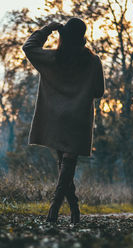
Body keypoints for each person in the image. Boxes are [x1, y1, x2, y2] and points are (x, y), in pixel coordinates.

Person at [22, 18, 105, 224]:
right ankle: (67, 209)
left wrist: (49, 29)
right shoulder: (93, 61)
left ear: (65, 36)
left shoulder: (53, 58)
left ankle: (58, 210)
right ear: (83, 37)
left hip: (55, 118)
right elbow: (99, 92)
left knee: (63, 166)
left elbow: (28, 46)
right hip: (78, 119)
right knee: (67, 165)